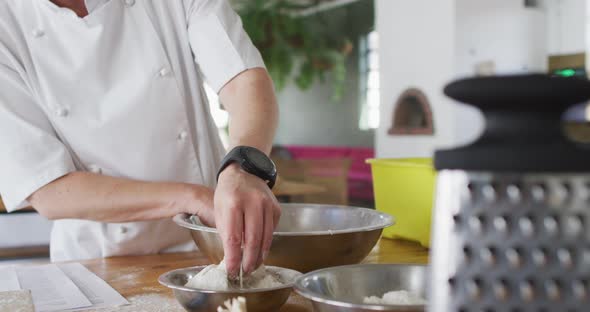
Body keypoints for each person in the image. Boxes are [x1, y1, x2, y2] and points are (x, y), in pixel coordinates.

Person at [0, 0, 280, 278]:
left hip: (211, 251)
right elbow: (49, 190)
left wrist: (243, 166)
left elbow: (243, 78)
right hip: (98, 264)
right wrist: (193, 198)